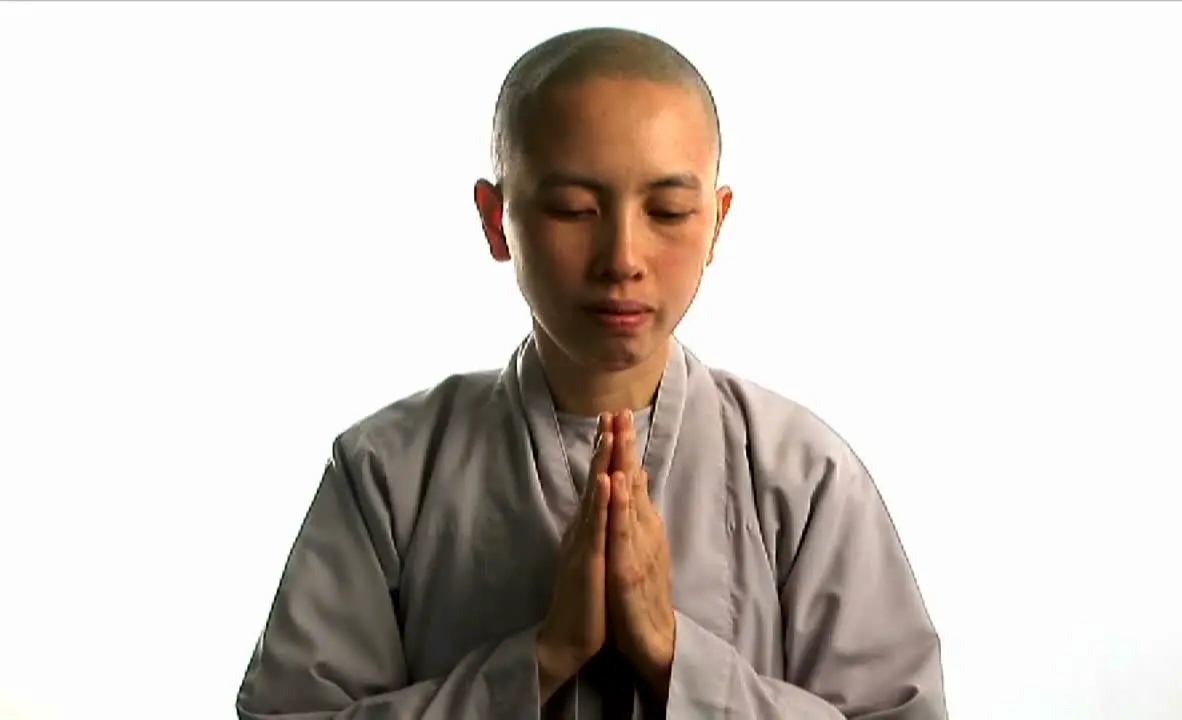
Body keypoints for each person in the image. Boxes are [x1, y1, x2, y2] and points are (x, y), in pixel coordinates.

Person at [235, 26, 947, 720]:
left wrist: (676, 659)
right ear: (495, 220)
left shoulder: (802, 473)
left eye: (668, 211)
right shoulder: (387, 471)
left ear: (718, 224)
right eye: (574, 209)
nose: (623, 257)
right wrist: (540, 659)